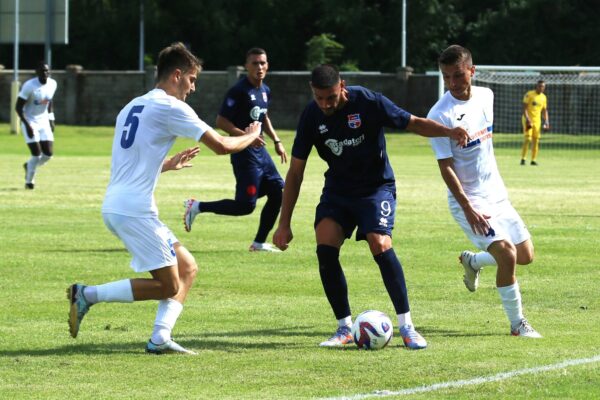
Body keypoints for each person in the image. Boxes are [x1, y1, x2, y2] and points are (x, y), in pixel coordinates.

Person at [67, 42, 264, 355]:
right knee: (169, 285)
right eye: (192, 80)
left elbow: (129, 162)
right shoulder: (171, 107)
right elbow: (223, 145)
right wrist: (253, 134)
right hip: (134, 211)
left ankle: (160, 338)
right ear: (177, 75)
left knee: (187, 268)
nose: (193, 88)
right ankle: (87, 295)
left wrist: (167, 164)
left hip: (121, 205)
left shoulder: (131, 106)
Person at [272, 64, 469, 349]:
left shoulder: (368, 102)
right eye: (319, 98)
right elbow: (295, 173)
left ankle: (407, 327)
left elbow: (412, 122)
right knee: (325, 245)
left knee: (379, 243)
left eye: (330, 97)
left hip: (376, 188)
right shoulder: (311, 116)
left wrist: (449, 131)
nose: (325, 104)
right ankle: (344, 329)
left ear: (343, 86)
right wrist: (284, 223)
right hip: (338, 191)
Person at [427, 45, 541, 338]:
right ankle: (518, 324)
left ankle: (473, 261)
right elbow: (446, 167)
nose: (452, 83)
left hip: (496, 193)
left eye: (458, 75)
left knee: (525, 254)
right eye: (446, 77)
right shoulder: (439, 115)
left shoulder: (486, 96)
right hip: (468, 199)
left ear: (472, 71)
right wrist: (467, 207)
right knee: (506, 254)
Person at [183, 48, 287, 252]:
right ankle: (197, 206)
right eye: (255, 63)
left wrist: (276, 140)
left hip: (261, 152)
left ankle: (258, 243)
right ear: (247, 66)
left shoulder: (265, 90)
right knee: (245, 206)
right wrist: (246, 136)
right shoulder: (238, 91)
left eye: (263, 63)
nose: (259, 67)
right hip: (243, 153)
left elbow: (263, 117)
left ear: (267, 65)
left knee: (277, 192)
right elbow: (221, 121)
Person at [16, 61, 57, 190]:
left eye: (47, 71)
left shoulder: (53, 84)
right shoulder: (29, 86)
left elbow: (49, 101)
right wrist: (27, 125)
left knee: (48, 155)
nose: (45, 73)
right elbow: (18, 107)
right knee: (37, 154)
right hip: (30, 120)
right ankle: (29, 182)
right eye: (42, 71)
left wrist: (51, 119)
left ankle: (29, 165)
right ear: (37, 72)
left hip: (44, 120)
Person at [520, 80, 549, 166]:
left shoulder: (543, 97)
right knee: (528, 139)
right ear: (536, 86)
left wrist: (546, 121)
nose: (541, 88)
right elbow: (524, 108)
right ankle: (523, 159)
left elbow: (544, 110)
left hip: (537, 121)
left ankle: (533, 160)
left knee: (536, 140)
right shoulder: (529, 94)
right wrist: (528, 119)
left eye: (543, 87)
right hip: (527, 119)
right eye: (540, 86)